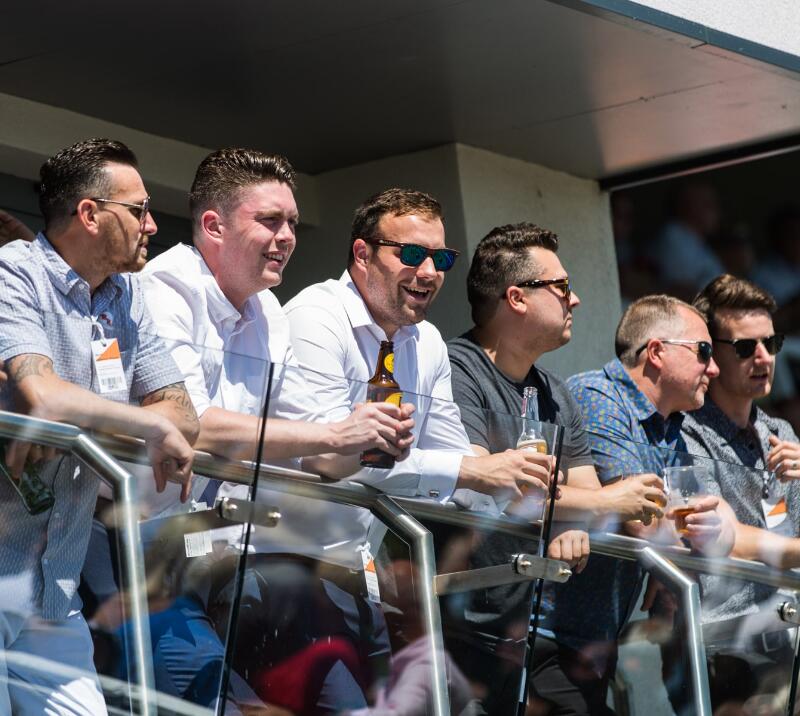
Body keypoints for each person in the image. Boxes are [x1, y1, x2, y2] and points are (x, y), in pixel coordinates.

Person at [140, 149, 415, 712]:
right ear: (213, 226)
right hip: (150, 553)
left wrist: (366, 443)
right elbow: (190, 423)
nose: (288, 235)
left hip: (240, 557)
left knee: (349, 703)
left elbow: (302, 446)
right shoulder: (164, 288)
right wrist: (334, 436)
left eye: (292, 221)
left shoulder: (268, 310)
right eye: (270, 221)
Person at [0, 138, 199, 715]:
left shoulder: (127, 294)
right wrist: (142, 424)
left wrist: (126, 421)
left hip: (54, 589)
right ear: (90, 213)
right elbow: (45, 394)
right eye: (138, 209)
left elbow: (182, 413)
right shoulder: (14, 272)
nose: (152, 225)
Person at [448, 222, 672, 715]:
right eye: (562, 287)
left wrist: (574, 523)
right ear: (517, 297)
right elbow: (483, 486)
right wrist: (608, 502)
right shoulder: (455, 369)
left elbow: (582, 500)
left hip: (537, 625)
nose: (576, 300)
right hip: (466, 628)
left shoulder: (555, 391)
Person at [565, 294, 735, 715]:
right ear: (656, 352)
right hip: (544, 635)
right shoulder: (597, 395)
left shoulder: (671, 427)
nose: (713, 368)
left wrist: (686, 540)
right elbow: (643, 520)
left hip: (594, 641)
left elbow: (705, 520)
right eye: (703, 351)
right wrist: (673, 544)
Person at [682, 275, 800, 710]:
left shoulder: (778, 431)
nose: (764, 358)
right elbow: (722, 540)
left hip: (787, 625)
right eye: (747, 348)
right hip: (723, 641)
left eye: (772, 343)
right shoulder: (687, 434)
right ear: (711, 355)